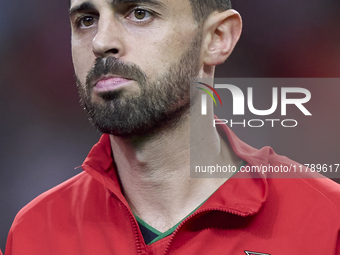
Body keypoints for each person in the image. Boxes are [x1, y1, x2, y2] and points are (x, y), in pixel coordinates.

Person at [5, 0, 340, 254]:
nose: (100, 41)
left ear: (217, 38)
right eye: (86, 20)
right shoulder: (36, 231)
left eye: (139, 13)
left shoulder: (327, 222)